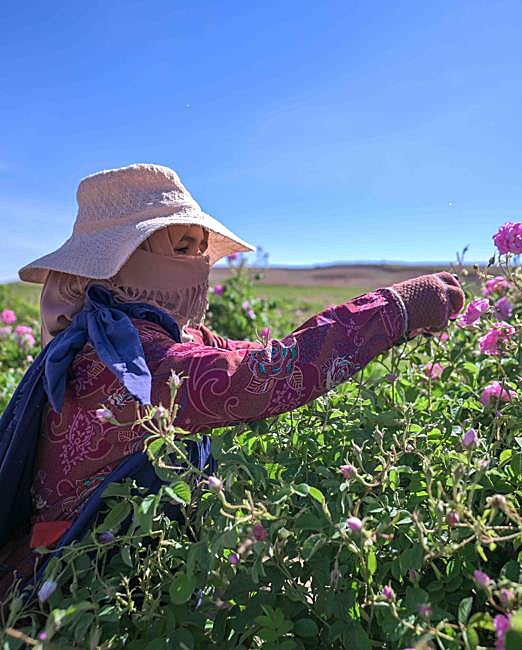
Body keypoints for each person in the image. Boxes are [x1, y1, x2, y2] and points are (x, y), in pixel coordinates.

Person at [0, 163, 464, 598]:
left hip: (97, 564)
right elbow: (261, 377)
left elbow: (245, 354)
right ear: (118, 265)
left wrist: (377, 327)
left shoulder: (130, 333)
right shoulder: (129, 358)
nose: (200, 264)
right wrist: (393, 310)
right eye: (182, 248)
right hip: (70, 590)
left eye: (200, 249)